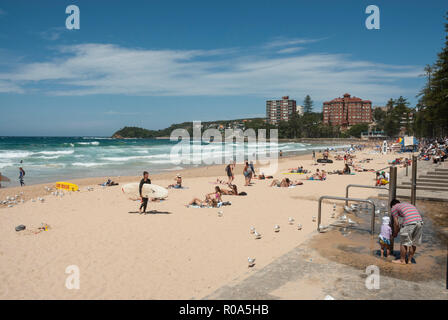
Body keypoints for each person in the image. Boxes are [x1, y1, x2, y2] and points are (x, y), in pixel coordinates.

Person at [390, 199, 423, 265]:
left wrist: (395, 233)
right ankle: (410, 260)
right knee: (413, 243)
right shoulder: (407, 204)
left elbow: (396, 223)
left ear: (392, 205)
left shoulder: (394, 207)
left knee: (404, 242)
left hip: (410, 223)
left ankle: (402, 261)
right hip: (420, 222)